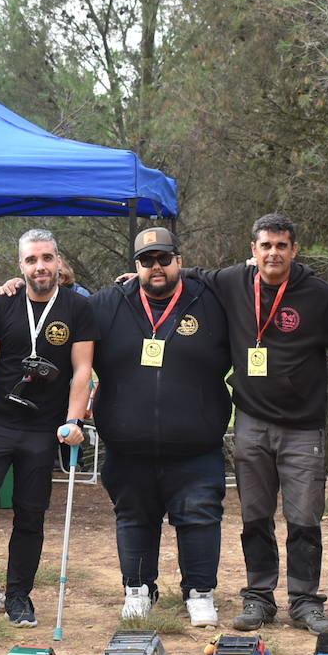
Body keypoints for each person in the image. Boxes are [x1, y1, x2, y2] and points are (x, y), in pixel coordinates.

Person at [190, 214, 328, 635]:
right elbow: (186, 274)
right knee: (255, 517)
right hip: (252, 422)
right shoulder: (232, 281)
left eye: (282, 245)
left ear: (294, 249)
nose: (274, 253)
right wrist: (142, 271)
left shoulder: (317, 294)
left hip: (303, 426)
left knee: (304, 518)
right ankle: (259, 597)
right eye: (266, 246)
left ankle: (305, 600)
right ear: (253, 250)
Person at [87, 228, 231, 627]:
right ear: (135, 266)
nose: (156, 267)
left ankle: (200, 592)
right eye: (147, 260)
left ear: (179, 261)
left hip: (195, 445)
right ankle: (137, 589)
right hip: (128, 445)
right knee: (133, 517)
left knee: (200, 516)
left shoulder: (210, 301)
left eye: (164, 259)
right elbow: (65, 314)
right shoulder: (108, 304)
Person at [0, 229, 97, 627]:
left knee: (30, 514)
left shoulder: (77, 308)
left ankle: (19, 596)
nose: (40, 267)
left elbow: (82, 370)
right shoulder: (1, 305)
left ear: (58, 261)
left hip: (43, 428)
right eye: (32, 260)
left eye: (47, 258)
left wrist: (74, 419)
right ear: (21, 265)